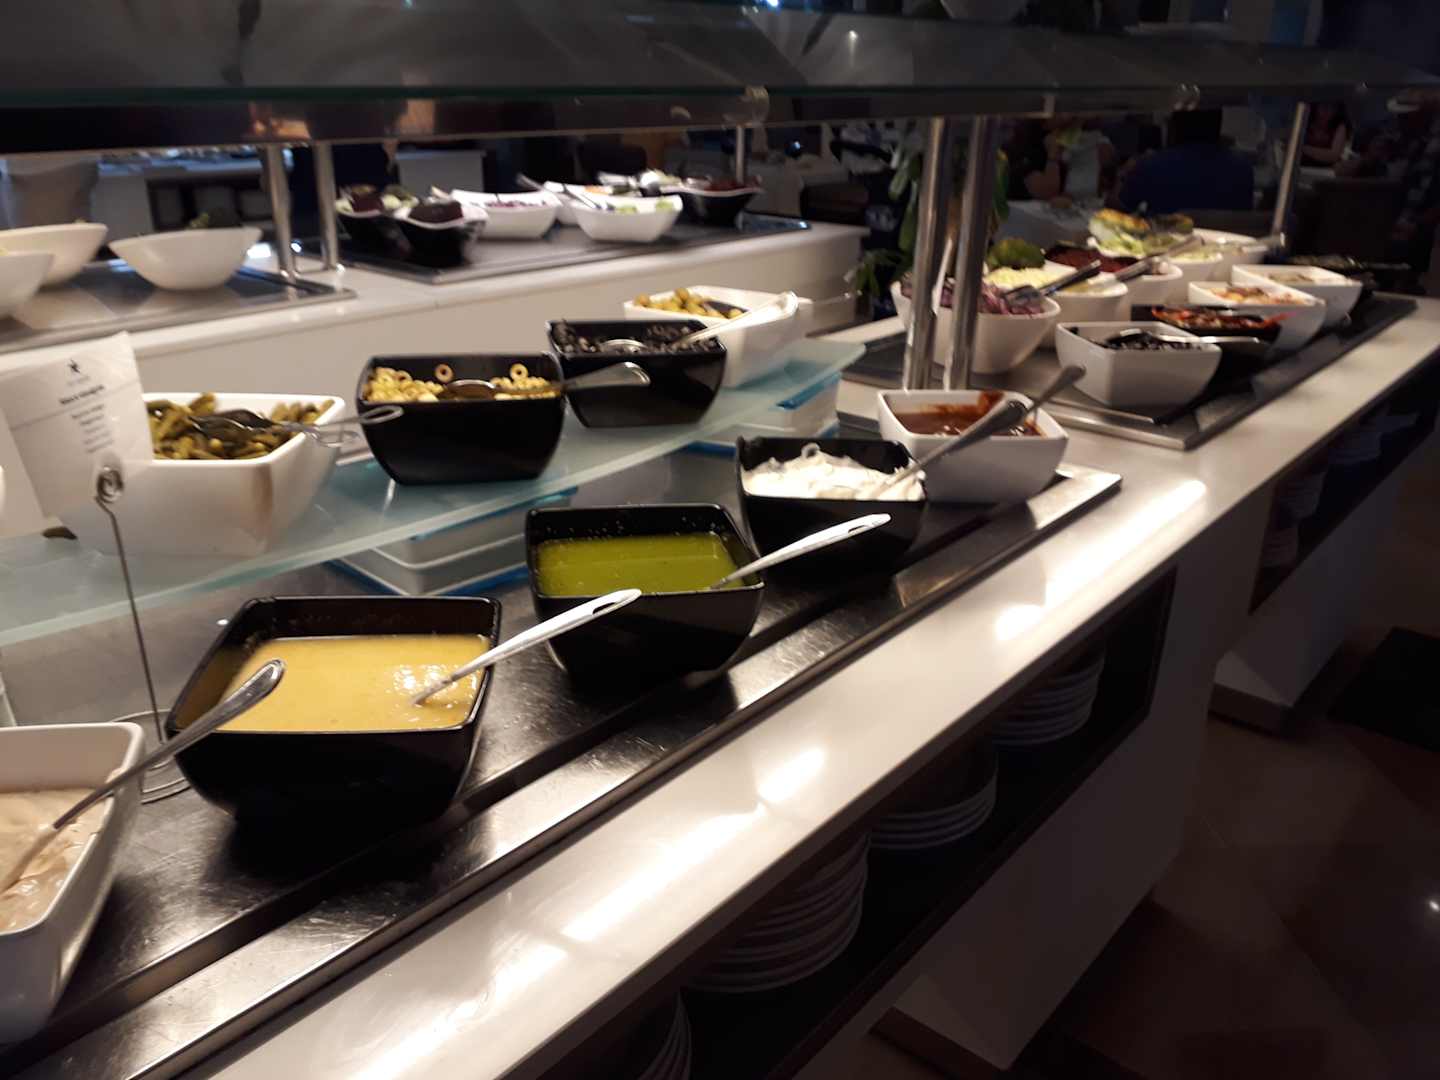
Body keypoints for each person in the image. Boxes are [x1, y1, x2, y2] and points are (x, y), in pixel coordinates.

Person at [1115, 109, 1254, 215]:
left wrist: (1124, 174)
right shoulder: (1243, 167)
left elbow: (1118, 209)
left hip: (1166, 243)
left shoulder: (1151, 165)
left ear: (1176, 126)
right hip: (1233, 242)